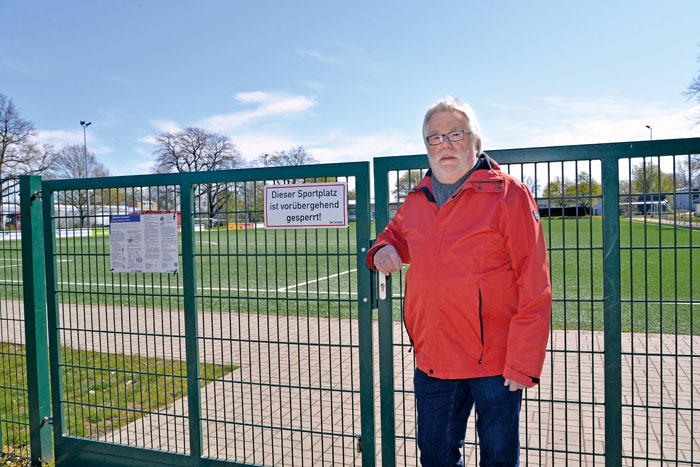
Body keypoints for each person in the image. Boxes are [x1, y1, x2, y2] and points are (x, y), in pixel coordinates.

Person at [366, 97, 551, 466]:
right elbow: (392, 237)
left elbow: (535, 283)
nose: (445, 144)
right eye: (435, 137)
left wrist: (523, 362)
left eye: (455, 133)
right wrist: (381, 249)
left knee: (499, 460)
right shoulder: (417, 199)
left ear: (475, 143)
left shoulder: (509, 194)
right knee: (435, 458)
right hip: (433, 363)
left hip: (497, 367)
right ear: (426, 147)